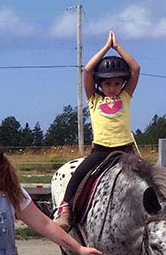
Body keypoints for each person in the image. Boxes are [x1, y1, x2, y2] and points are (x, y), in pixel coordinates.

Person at [55, 30, 141, 230]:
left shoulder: (125, 96)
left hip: (126, 149)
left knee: (148, 176)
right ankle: (65, 210)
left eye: (117, 83)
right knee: (78, 175)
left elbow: (135, 69)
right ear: (100, 84)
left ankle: (159, 210)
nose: (112, 87)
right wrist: (105, 48)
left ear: (122, 83)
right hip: (101, 149)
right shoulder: (94, 99)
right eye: (108, 83)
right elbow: (87, 71)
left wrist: (117, 47)